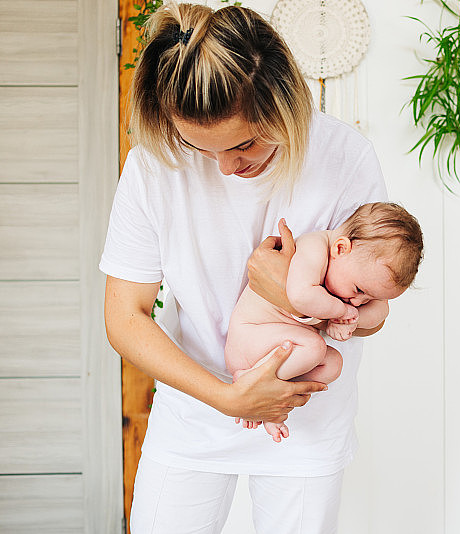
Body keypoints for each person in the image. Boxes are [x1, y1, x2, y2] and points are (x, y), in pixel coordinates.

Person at [101, 3, 393, 532]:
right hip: (194, 410)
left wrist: (287, 296)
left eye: (243, 144)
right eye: (200, 147)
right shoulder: (153, 164)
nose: (227, 168)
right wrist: (228, 396)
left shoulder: (344, 157)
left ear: (283, 104)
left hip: (303, 418)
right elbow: (125, 315)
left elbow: (376, 310)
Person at [225, 202, 423, 442]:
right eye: (359, 290)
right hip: (251, 336)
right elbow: (300, 295)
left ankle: (272, 394)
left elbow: (382, 312)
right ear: (340, 248)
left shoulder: (356, 270)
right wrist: (340, 311)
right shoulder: (314, 247)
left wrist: (354, 318)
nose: (358, 301)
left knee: (333, 364)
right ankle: (252, 382)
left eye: (369, 297)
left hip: (278, 347)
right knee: (315, 347)